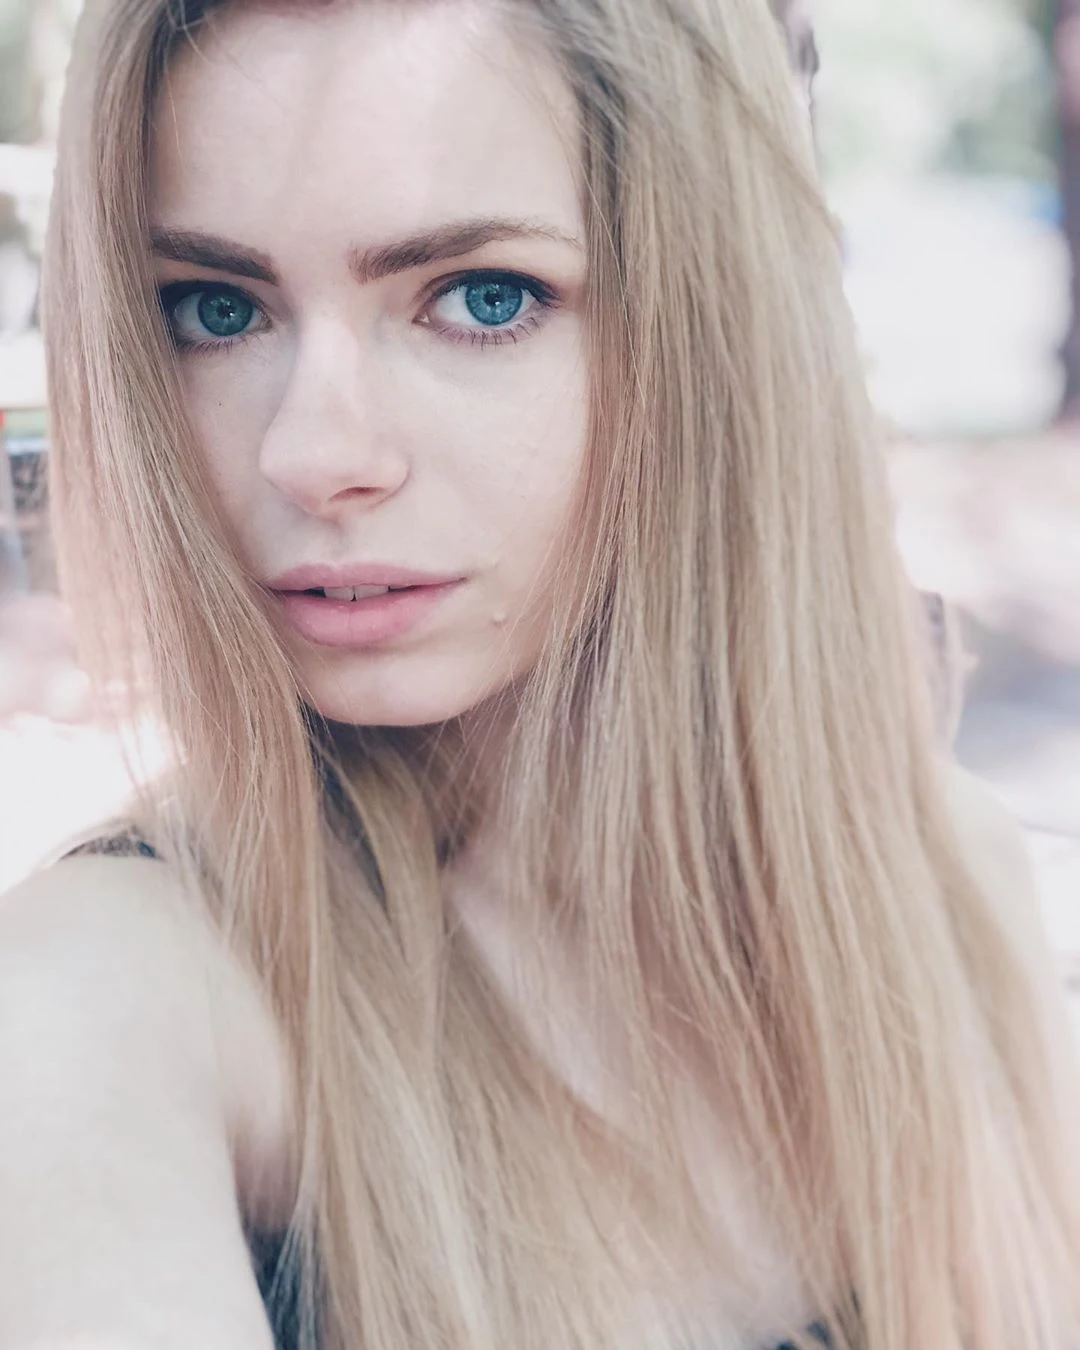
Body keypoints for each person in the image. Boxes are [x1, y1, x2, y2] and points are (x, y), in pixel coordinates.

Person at [1, 1, 1077, 1349]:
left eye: (480, 297)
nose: (313, 453)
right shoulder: (98, 1001)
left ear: (714, 332)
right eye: (217, 310)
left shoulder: (949, 884)